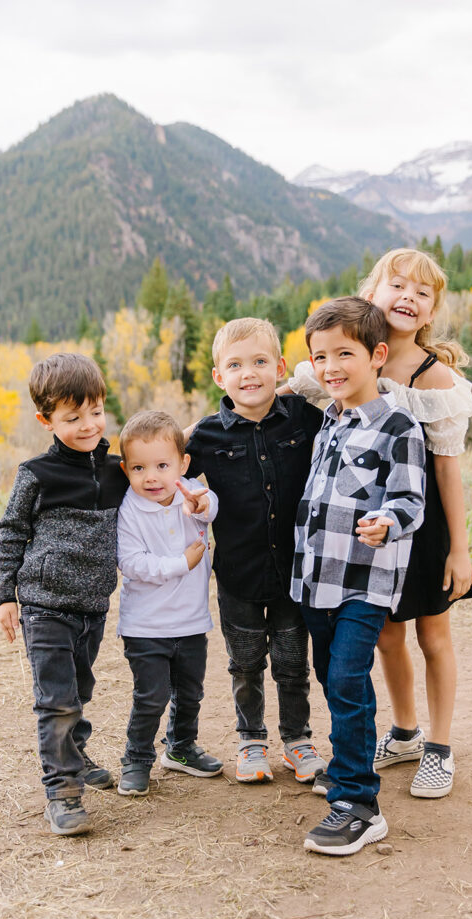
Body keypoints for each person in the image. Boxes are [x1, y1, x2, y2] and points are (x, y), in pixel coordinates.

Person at [288, 248, 472, 799]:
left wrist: (459, 549)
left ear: (429, 313)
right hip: (363, 533)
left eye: (422, 293)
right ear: (371, 293)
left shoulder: (435, 378)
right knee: (387, 636)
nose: (408, 297)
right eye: (396, 285)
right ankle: (403, 732)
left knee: (433, 633)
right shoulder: (342, 361)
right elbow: (283, 394)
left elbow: (448, 473)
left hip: (423, 525)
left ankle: (439, 748)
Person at [291, 297, 425, 856]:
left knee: (348, 677)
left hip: (364, 582)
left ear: (376, 355)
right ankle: (348, 763)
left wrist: (387, 521)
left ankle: (358, 803)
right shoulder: (329, 419)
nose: (330, 368)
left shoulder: (399, 426)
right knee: (332, 677)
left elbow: (412, 499)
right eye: (319, 357)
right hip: (314, 581)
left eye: (343, 353)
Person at [185, 317, 326, 784]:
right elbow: (164, 466)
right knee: (245, 663)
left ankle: (298, 740)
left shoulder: (304, 418)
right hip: (238, 576)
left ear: (280, 367)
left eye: (261, 362)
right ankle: (251, 741)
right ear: (218, 376)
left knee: (291, 663)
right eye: (236, 365)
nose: (250, 373)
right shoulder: (204, 436)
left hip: (294, 571)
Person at [0, 352, 129, 836]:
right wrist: (5, 595)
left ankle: (76, 752)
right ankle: (63, 792)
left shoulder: (119, 469)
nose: (88, 425)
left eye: (95, 412)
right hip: (45, 605)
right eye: (72, 418)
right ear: (46, 419)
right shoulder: (37, 474)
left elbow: (161, 487)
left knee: (80, 690)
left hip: (94, 606)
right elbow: (11, 532)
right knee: (57, 700)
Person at [116, 410, 223, 797]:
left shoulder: (190, 492)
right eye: (140, 468)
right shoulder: (129, 510)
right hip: (146, 626)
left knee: (190, 692)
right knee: (152, 696)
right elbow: (131, 563)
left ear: (183, 463)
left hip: (192, 621)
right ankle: (137, 758)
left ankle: (180, 748)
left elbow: (211, 505)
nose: (152, 477)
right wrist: (184, 563)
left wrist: (202, 505)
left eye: (163, 465)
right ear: (126, 469)